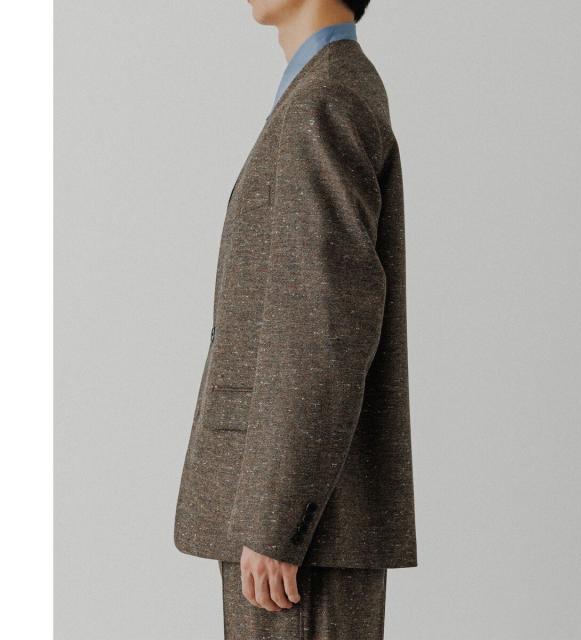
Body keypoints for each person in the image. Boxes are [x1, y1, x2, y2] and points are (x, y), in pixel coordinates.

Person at [174, 1, 417, 637]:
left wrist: (276, 520)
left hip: (298, 532)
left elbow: (325, 323)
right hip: (294, 516)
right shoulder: (322, 92)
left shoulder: (325, 100)